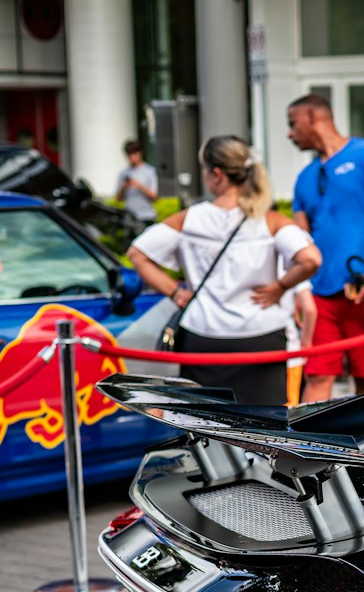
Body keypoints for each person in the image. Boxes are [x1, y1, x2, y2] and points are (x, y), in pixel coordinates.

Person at [127, 135, 320, 406]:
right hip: (261, 336)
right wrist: (281, 286)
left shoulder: (190, 218)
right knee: (262, 427)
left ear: (216, 174)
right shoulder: (270, 220)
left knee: (204, 424)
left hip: (204, 336)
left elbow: (137, 253)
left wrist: (174, 292)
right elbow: (310, 259)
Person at [287, 93, 364, 404]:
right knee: (317, 374)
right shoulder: (304, 178)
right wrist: (299, 290)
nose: (289, 133)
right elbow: (301, 236)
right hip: (321, 293)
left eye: (293, 124)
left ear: (313, 117)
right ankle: (306, 449)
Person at [116, 140, 159, 231]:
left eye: (133, 153)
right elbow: (118, 199)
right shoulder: (124, 173)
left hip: (146, 216)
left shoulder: (150, 171)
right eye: (128, 154)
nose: (131, 157)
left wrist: (139, 185)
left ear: (140, 153)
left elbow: (155, 196)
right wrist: (124, 187)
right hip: (129, 217)